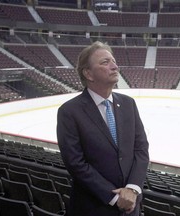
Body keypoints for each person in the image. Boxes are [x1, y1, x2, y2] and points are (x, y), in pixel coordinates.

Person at [56, 41, 149, 216]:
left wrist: (132, 189)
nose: (115, 66)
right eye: (105, 62)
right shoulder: (69, 112)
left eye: (113, 61)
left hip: (131, 207)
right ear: (88, 73)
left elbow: (141, 149)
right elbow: (76, 163)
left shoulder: (129, 104)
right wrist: (114, 197)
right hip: (93, 208)